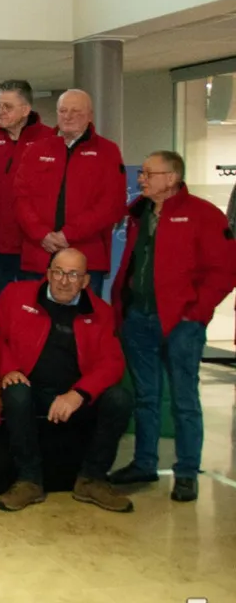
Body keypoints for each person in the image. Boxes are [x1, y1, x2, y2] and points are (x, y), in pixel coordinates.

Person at [110, 151, 236, 502]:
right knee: (146, 396)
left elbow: (225, 270)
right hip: (138, 318)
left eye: (149, 173)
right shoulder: (138, 213)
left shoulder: (203, 215)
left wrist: (196, 312)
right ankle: (144, 463)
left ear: (172, 178)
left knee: (184, 399)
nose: (142, 179)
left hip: (181, 324)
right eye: (142, 173)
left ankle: (186, 472)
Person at [0, 249, 134, 512]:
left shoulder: (101, 312)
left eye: (73, 274)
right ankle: (29, 480)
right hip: (29, 387)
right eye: (58, 272)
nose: (63, 280)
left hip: (74, 394)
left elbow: (112, 363)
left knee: (120, 399)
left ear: (85, 281)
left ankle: (92, 479)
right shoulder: (16, 296)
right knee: (15, 392)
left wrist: (79, 393)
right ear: (48, 273)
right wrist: (9, 369)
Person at [13, 89, 126, 296]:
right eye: (63, 111)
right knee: (34, 320)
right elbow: (21, 199)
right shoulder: (37, 150)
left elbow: (111, 204)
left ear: (90, 115)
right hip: (39, 255)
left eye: (76, 112)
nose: (68, 116)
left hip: (85, 258)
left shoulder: (107, 152)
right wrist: (42, 234)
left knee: (83, 323)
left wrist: (68, 235)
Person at [0, 80, 53, 305]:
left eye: (7, 106)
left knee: (33, 307)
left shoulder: (50, 140)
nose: (0, 111)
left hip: (35, 245)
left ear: (26, 109)